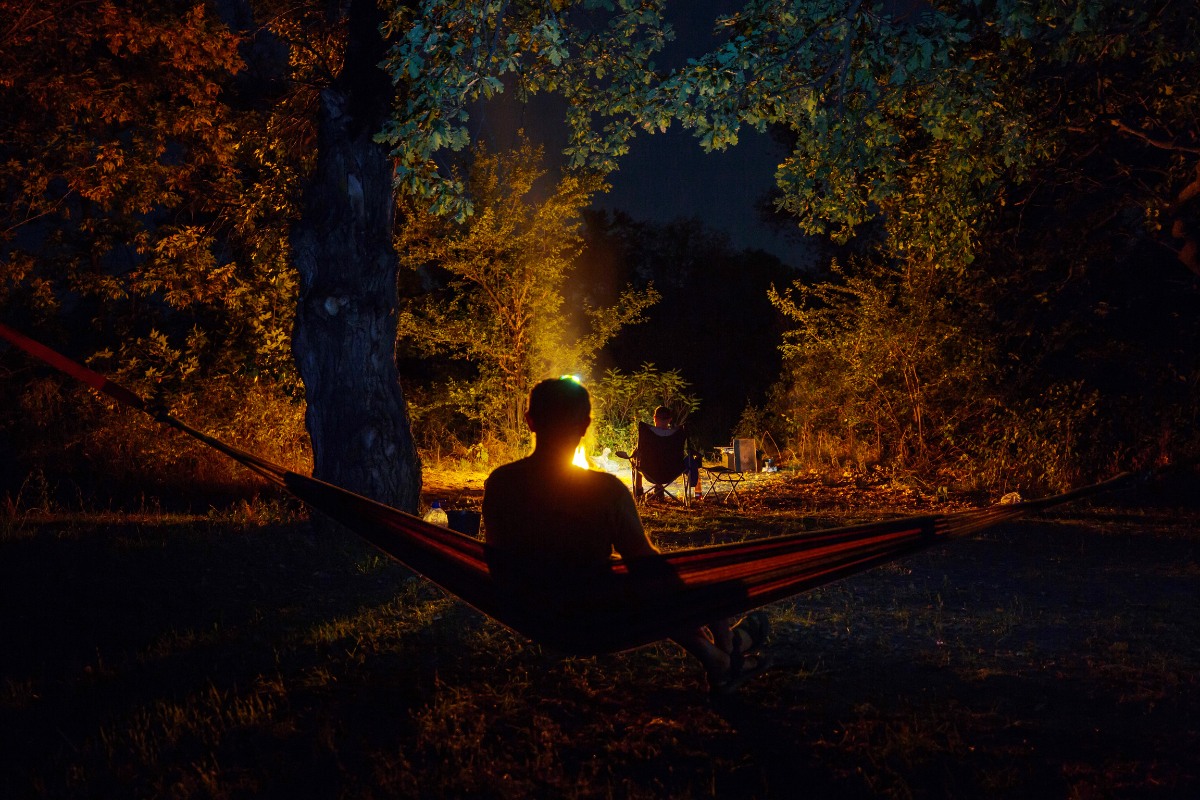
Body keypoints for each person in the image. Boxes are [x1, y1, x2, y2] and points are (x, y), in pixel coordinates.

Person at [483, 377, 771, 694]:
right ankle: (730, 645)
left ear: (530, 421)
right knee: (684, 584)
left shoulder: (500, 483)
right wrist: (704, 595)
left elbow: (498, 562)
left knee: (651, 586)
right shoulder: (605, 493)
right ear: (585, 425)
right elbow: (646, 565)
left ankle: (718, 656)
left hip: (531, 608)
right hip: (596, 614)